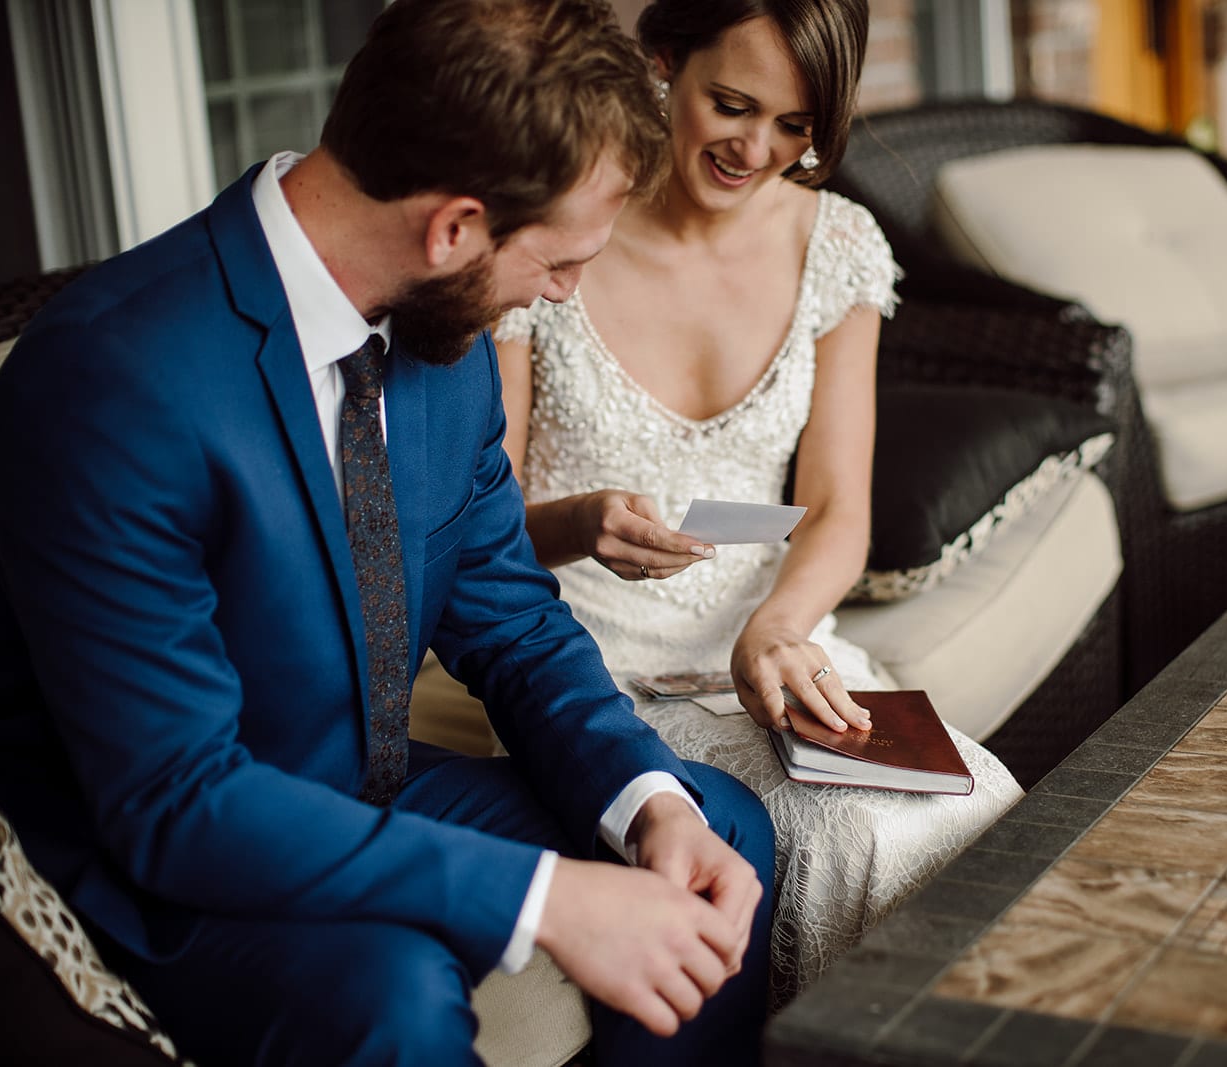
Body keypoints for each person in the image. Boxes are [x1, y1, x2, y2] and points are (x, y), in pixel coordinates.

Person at [0, 1, 776, 1064]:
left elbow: (509, 620)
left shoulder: (438, 333)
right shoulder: (110, 378)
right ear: (454, 228)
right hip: (176, 847)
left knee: (712, 824)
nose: (561, 297)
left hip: (362, 776)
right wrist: (549, 897)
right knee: (390, 991)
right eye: (561, 263)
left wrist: (643, 805)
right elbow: (174, 800)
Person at [494, 0, 1023, 1001]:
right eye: (730, 105)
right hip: (587, 658)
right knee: (857, 833)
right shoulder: (557, 228)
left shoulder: (840, 244)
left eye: (796, 125)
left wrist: (778, 628)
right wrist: (576, 522)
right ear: (662, 62)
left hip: (770, 639)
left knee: (974, 807)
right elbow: (475, 524)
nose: (758, 149)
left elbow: (836, 507)